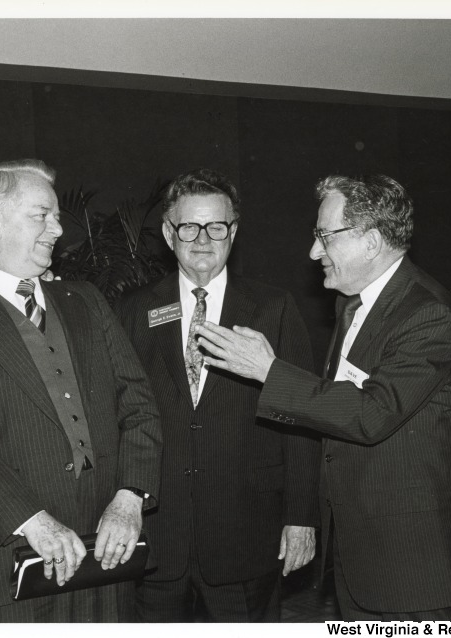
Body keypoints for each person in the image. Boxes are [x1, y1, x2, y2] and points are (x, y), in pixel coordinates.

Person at [195, 173, 451, 621]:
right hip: (359, 548)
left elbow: (372, 414)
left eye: (325, 236)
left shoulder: (427, 314)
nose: (313, 252)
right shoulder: (354, 302)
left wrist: (269, 371)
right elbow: (333, 407)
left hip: (411, 560)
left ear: (371, 240)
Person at [0, 159, 162, 622]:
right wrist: (33, 522)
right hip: (14, 554)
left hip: (109, 543)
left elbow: (140, 404)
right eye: (41, 214)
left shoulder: (86, 300)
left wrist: (130, 498)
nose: (57, 229)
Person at [116, 168, 320, 622]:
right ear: (170, 234)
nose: (203, 238)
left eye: (217, 226)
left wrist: (302, 515)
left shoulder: (274, 307)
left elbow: (303, 418)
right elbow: (121, 416)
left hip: (246, 532)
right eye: (189, 226)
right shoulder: (135, 310)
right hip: (159, 537)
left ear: (234, 232)